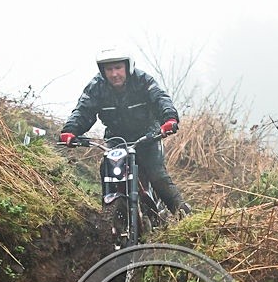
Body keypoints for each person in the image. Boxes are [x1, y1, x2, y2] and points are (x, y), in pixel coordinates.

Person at [59, 48, 191, 217]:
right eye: (109, 69)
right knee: (106, 169)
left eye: (118, 68)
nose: (114, 74)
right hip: (116, 140)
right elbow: (83, 110)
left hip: (147, 137)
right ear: (103, 71)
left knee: (156, 174)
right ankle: (108, 217)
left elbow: (160, 99)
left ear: (127, 67)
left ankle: (183, 216)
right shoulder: (96, 87)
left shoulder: (143, 80)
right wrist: (70, 131)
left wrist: (169, 119)